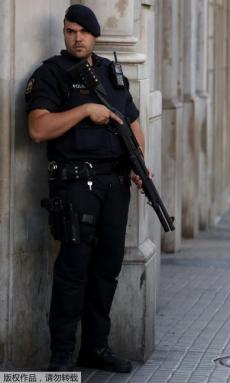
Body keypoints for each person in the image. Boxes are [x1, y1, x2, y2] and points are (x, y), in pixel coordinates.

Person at [25, 4, 148, 372]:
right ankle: (62, 355)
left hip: (114, 184)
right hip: (75, 183)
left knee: (107, 269)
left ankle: (95, 347)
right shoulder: (52, 74)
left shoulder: (113, 73)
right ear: (65, 34)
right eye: (70, 31)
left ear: (95, 35)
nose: (77, 37)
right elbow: (37, 129)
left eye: (83, 31)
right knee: (73, 269)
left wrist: (140, 166)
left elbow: (132, 122)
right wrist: (83, 111)